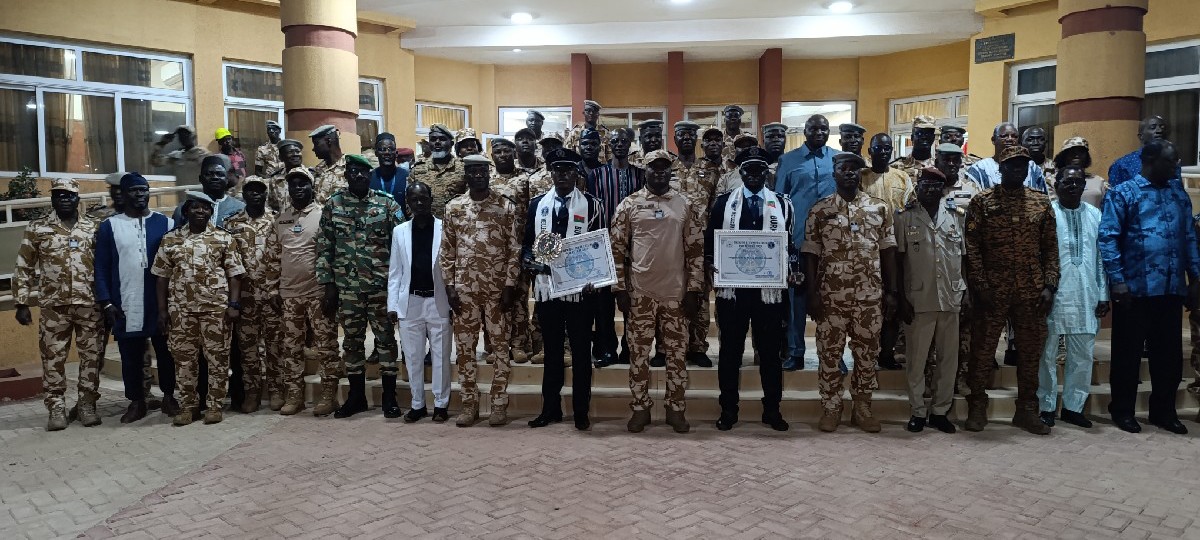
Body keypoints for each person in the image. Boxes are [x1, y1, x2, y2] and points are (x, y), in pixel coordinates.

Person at [1099, 140, 1198, 435]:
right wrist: (1117, 280)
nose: (1176, 166)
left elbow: (1189, 237)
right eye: (1171, 161)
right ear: (1151, 160)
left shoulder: (1178, 193)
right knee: (1127, 356)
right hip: (1134, 290)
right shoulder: (1123, 193)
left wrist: (1196, 279)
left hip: (1170, 288)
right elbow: (1108, 237)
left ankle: (1163, 412)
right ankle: (1122, 410)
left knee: (1168, 357)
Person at [963, 145, 1058, 435]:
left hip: (1031, 290)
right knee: (982, 350)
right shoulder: (982, 201)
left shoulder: (1040, 202)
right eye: (1011, 165)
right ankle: (977, 406)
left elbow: (1050, 248)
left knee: (1030, 352)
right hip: (993, 290)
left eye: (1022, 165)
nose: (1017, 169)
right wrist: (980, 285)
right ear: (1000, 168)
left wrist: (1050, 285)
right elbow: (972, 247)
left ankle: (1027, 409)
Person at [610, 149, 705, 434]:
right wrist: (619, 288)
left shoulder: (685, 204)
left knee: (677, 355)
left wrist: (694, 289)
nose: (659, 172)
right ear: (645, 171)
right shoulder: (629, 205)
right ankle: (640, 408)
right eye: (654, 167)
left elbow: (696, 251)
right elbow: (616, 249)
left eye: (664, 168)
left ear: (671, 171)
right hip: (640, 294)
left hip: (675, 294)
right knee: (639, 355)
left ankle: (676, 409)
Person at [804, 152, 898, 433]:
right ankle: (832, 407)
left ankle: (862, 407)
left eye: (854, 169)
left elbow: (888, 251)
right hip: (831, 297)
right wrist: (812, 293)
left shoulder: (879, 208)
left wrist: (892, 291)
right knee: (829, 354)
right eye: (843, 168)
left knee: (867, 354)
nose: (849, 173)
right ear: (834, 173)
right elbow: (810, 253)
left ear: (860, 174)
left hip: (869, 296)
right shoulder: (820, 210)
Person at [706, 147, 796, 432]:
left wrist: (793, 270)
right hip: (733, 292)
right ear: (740, 172)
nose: (755, 174)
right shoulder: (723, 204)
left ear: (767, 173)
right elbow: (710, 242)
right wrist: (711, 264)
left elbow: (790, 244)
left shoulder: (782, 204)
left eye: (760, 170)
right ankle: (728, 410)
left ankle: (772, 410)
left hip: (769, 292)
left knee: (770, 354)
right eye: (749, 169)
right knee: (730, 353)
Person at [522, 148, 604, 430]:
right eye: (558, 170)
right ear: (551, 173)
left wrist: (597, 278)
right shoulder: (537, 205)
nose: (563, 175)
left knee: (581, 352)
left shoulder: (592, 205)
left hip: (580, 291)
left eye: (568, 170)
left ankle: (581, 411)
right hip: (547, 289)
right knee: (552, 351)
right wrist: (528, 260)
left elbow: (599, 245)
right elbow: (527, 243)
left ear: (576, 173)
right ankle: (550, 409)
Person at [317, 154, 404, 419]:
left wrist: (398, 287)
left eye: (362, 172)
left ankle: (389, 397)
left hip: (381, 287)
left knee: (386, 340)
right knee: (352, 342)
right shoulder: (334, 205)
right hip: (348, 288)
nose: (357, 175)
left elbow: (401, 245)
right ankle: (356, 398)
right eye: (353, 171)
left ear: (369, 176)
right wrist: (328, 285)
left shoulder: (386, 204)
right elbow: (324, 247)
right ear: (346, 175)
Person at [14, 178, 105, 431]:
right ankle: (56, 407)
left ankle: (87, 405)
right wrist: (22, 302)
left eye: (69, 195)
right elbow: (24, 265)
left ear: (78, 198)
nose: (64, 199)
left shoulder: (94, 227)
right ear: (52, 199)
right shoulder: (37, 227)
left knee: (92, 357)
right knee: (52, 358)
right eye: (58, 195)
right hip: (54, 307)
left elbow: (105, 264)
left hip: (89, 304)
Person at [440, 154, 522, 427]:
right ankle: (468, 404)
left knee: (500, 348)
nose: (478, 175)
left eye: (482, 171)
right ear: (466, 174)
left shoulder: (505, 206)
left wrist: (510, 285)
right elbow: (447, 250)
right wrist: (449, 286)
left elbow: (514, 250)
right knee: (465, 349)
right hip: (464, 291)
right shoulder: (454, 207)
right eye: (472, 171)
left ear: (489, 174)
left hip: (497, 290)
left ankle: (498, 404)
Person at [152, 191, 245, 426]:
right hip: (181, 311)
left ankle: (214, 406)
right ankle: (188, 407)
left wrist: (233, 304)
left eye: (205, 207)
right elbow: (161, 277)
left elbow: (235, 274)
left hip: (216, 310)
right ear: (186, 211)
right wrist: (162, 311)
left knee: (218, 359)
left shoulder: (224, 238)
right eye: (195, 207)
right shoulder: (170, 239)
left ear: (211, 212)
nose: (200, 211)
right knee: (184, 361)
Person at [95, 173, 180, 423]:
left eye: (144, 189)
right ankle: (136, 401)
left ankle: (169, 396)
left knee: (166, 352)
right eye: (134, 190)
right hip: (126, 300)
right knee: (130, 355)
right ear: (123, 194)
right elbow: (101, 266)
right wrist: (106, 302)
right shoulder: (110, 226)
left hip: (160, 301)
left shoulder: (165, 223)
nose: (140, 194)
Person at [264, 168, 341, 416]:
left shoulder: (323, 215)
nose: (297, 188)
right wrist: (272, 289)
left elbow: (332, 254)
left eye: (302, 184)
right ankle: (294, 395)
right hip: (289, 295)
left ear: (312, 187)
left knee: (326, 346)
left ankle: (328, 395)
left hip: (317, 293)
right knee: (291, 347)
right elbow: (272, 256)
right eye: (293, 184)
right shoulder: (281, 219)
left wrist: (331, 289)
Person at [1038, 165, 1109, 429]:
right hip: (1053, 295)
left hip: (1086, 294)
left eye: (1078, 182)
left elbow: (1100, 259)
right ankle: (1046, 405)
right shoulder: (1047, 213)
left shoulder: (1095, 215)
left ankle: (1073, 407)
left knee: (1082, 355)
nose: (1073, 186)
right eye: (1067, 182)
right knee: (1047, 354)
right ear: (1055, 185)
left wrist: (1103, 294)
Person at [894, 168, 963, 434]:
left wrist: (965, 293)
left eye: (936, 186)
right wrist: (900, 297)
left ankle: (940, 412)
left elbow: (964, 258)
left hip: (950, 297)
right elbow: (898, 261)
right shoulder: (905, 218)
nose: (930, 190)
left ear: (943, 189)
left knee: (948, 360)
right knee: (917, 360)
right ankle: (918, 411)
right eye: (925, 185)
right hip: (918, 299)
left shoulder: (956, 217)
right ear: (918, 187)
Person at [387, 181, 453, 424]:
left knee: (441, 356)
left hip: (438, 300)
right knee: (413, 356)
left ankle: (441, 404)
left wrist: (453, 302)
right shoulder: (400, 231)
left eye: (423, 198)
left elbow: (452, 267)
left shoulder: (445, 228)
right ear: (408, 203)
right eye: (414, 199)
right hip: (410, 301)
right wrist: (392, 305)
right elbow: (395, 272)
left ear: (431, 199)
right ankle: (417, 404)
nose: (419, 203)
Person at [777, 114, 837, 371]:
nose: (819, 133)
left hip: (833, 243)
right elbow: (779, 201)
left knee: (832, 299)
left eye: (824, 128)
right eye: (814, 129)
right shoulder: (788, 160)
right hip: (799, 240)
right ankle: (795, 352)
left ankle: (832, 355)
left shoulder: (838, 158)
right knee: (796, 299)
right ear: (805, 131)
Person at [587, 128, 646, 368]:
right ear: (608, 145)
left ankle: (629, 348)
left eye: (623, 141)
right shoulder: (596, 174)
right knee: (603, 305)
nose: (619, 144)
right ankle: (607, 349)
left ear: (630, 144)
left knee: (632, 300)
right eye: (615, 141)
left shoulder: (640, 174)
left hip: (635, 247)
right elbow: (590, 208)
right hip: (604, 247)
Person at [223, 177, 279, 413]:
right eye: (250, 190)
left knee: (275, 346)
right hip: (245, 297)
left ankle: (276, 390)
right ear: (243, 194)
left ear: (266, 194)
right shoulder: (231, 223)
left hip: (272, 295)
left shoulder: (277, 220)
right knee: (248, 350)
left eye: (259, 190)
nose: (255, 194)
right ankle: (252, 392)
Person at [861, 133, 913, 372]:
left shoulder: (902, 177)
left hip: (896, 248)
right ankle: (867, 353)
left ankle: (888, 353)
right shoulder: (861, 177)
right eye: (878, 148)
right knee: (869, 304)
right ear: (869, 151)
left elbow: (911, 208)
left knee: (893, 301)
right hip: (867, 249)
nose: (883, 152)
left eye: (887, 148)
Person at [489, 137, 540, 365]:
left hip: (520, 245)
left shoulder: (525, 179)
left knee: (519, 296)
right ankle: (497, 344)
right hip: (494, 248)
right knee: (496, 298)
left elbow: (533, 210)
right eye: (498, 152)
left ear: (514, 153)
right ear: (493, 156)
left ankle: (520, 344)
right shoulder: (488, 179)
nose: (502, 155)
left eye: (506, 151)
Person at [671, 120, 717, 368]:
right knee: (671, 294)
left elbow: (715, 208)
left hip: (701, 243)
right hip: (671, 243)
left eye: (691, 134)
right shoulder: (667, 168)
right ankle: (669, 345)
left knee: (699, 295)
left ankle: (698, 347)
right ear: (675, 139)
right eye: (682, 134)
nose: (687, 137)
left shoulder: (710, 169)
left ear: (696, 139)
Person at [965, 122, 1046, 193]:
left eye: (1014, 136)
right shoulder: (979, 169)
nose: (1010, 139)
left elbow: (1042, 197)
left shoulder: (1032, 167)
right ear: (993, 140)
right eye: (1004, 136)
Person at [409, 123, 464, 218]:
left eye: (442, 139)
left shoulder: (462, 168)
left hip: (455, 224)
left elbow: (470, 199)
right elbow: (409, 200)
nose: (437, 142)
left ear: (451, 144)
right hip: (426, 224)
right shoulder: (418, 169)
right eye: (433, 139)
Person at [174, 155, 246, 226]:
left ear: (227, 179)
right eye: (209, 174)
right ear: (200, 178)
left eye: (220, 174)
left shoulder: (240, 208)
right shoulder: (184, 208)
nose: (215, 177)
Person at [1109, 115, 1180, 186]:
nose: (1159, 131)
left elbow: (1178, 189)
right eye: (1153, 127)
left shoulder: (1171, 162)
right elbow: (1114, 191)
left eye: (1162, 128)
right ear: (1141, 136)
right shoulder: (1122, 164)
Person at [1051, 137, 1109, 208]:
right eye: (1072, 152)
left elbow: (1108, 206)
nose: (1076, 155)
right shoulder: (1051, 181)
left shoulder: (1099, 181)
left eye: (1081, 152)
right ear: (1063, 156)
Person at [890, 115, 938, 180]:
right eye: (920, 133)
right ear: (912, 137)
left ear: (933, 138)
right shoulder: (895, 167)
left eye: (928, 133)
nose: (924, 137)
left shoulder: (939, 167)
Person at [309, 125, 346, 204]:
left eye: (316, 143)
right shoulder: (317, 170)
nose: (313, 149)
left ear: (328, 141)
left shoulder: (350, 168)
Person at [370, 132, 409, 209]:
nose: (387, 153)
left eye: (391, 149)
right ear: (376, 153)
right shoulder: (369, 178)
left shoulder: (406, 176)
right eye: (382, 149)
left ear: (396, 153)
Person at [268, 139, 307, 211]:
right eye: (290, 152)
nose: (295, 154)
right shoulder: (275, 180)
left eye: (298, 151)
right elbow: (273, 206)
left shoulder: (311, 176)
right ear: (281, 157)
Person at [719, 105, 748, 171]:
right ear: (724, 120)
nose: (733, 119)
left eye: (736, 116)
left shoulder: (748, 140)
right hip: (721, 175)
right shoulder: (718, 140)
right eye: (729, 116)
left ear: (740, 120)